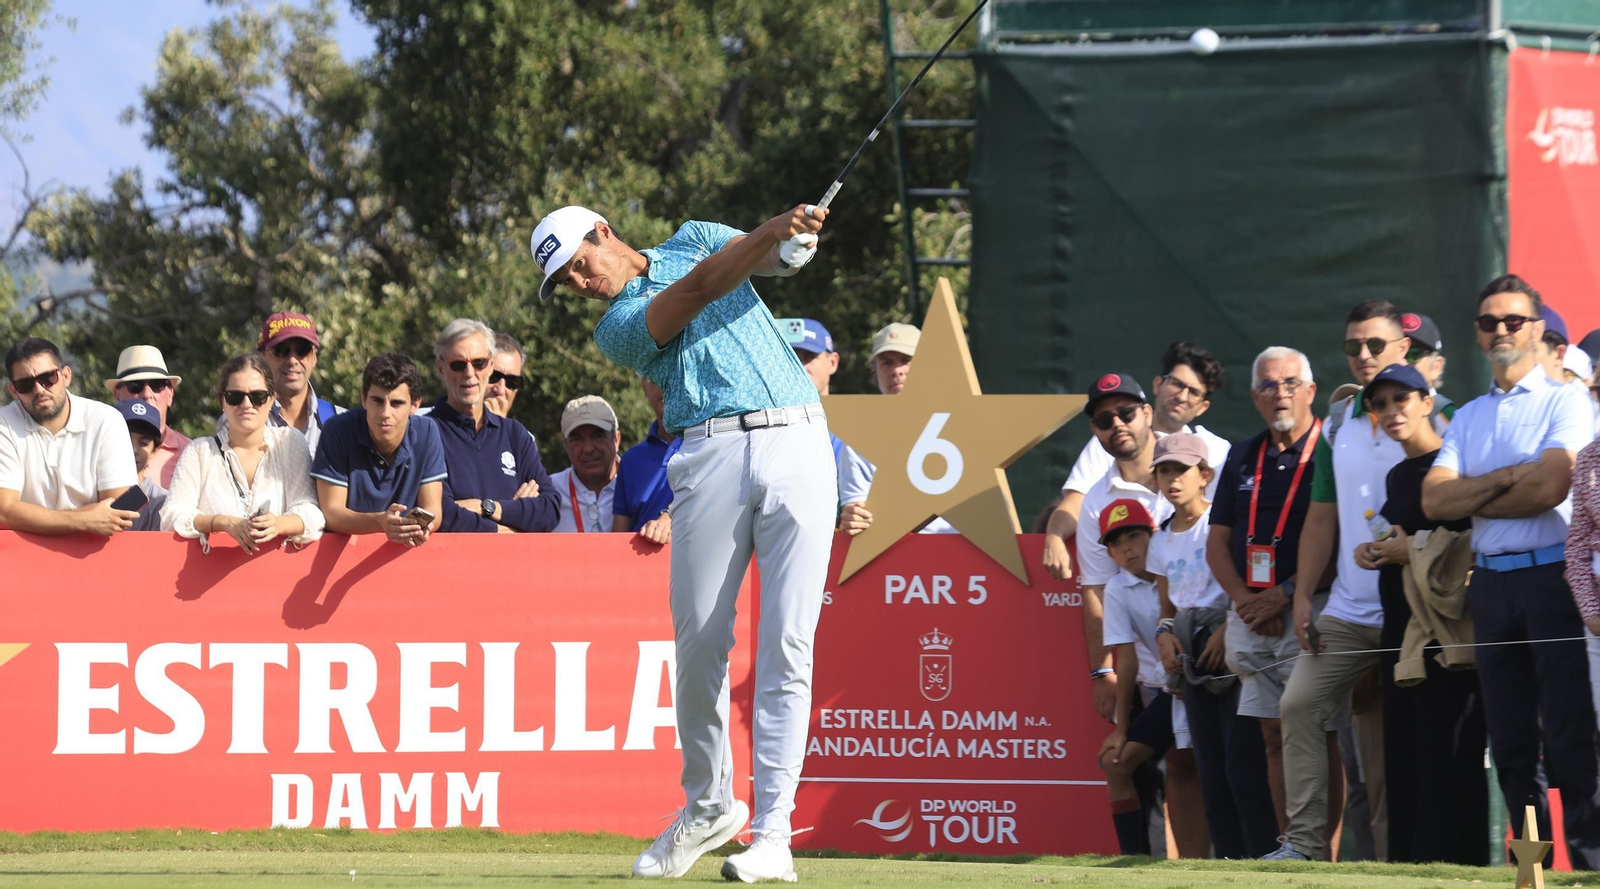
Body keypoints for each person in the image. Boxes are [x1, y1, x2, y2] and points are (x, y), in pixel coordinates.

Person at [532, 201, 830, 881]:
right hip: (709, 453)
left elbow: (769, 261)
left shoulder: (695, 235)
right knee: (699, 641)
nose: (581, 284)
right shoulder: (617, 329)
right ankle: (709, 802)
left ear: (603, 231)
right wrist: (770, 229)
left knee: (788, 641)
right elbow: (702, 288)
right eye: (568, 282)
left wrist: (794, 243)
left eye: (580, 264)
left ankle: (775, 833)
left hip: (799, 437)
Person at [1423, 274, 1600, 869]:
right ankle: (1531, 871)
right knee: (1512, 739)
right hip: (1492, 582)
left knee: (1572, 734)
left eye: (1513, 321)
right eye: (1489, 322)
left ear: (1536, 329)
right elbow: (1434, 502)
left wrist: (1473, 492)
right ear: (1478, 335)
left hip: (1554, 579)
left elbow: (1551, 487)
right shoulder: (1470, 416)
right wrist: (1505, 478)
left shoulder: (1567, 400)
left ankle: (1591, 863)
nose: (1500, 330)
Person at [1273, 300, 1412, 862]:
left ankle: (1394, 861)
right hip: (1350, 611)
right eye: (1354, 346)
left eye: (1375, 344)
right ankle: (1304, 846)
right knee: (1298, 705)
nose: (1363, 355)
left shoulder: (1442, 412)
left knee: (1389, 751)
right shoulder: (1337, 421)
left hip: (1419, 610)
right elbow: (1323, 513)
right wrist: (1304, 594)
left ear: (1404, 345)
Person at [1358, 363, 1488, 865]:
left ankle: (1462, 870)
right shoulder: (1397, 473)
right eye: (1380, 404)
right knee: (1406, 759)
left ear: (1428, 403)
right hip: (1400, 635)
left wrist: (1407, 550)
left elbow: (1468, 547)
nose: (1391, 411)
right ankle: (1410, 870)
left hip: (1446, 635)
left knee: (1448, 759)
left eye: (1402, 399)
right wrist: (1374, 552)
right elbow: (1403, 540)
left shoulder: (1456, 464)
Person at [1209, 347, 1333, 851]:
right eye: (1267, 385)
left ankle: (1323, 852)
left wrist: (1285, 594)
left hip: (1309, 605)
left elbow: (1338, 537)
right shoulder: (1242, 453)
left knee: (1317, 734)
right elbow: (1217, 540)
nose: (1278, 393)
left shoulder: (1330, 448)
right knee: (1272, 734)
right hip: (1250, 613)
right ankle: (1293, 848)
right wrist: (1242, 599)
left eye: (1288, 383)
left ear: (1309, 390)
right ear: (1255, 396)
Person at [1150, 432, 1278, 859]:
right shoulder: (1160, 538)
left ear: (1204, 475)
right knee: (1210, 766)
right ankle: (1226, 863)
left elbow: (1240, 585)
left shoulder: (1220, 526)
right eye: (1164, 470)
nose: (1172, 479)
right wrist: (1164, 635)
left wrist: (1229, 628)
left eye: (1181, 470)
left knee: (1243, 761)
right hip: (1191, 652)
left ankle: (1262, 856)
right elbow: (1166, 607)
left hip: (1234, 640)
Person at [1043, 342, 1231, 581]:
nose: (1182, 397)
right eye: (1176, 384)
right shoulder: (1114, 440)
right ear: (1157, 385)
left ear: (1203, 407)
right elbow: (1077, 502)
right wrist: (1054, 536)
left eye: (1194, 392)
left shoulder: (1216, 451)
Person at [1096, 497, 1205, 858]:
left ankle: (1216, 861)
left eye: (1134, 536)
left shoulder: (1179, 563)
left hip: (1210, 679)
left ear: (1153, 535)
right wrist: (1121, 729)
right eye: (1116, 543)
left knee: (1201, 768)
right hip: (1169, 689)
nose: (1126, 548)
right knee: (1117, 762)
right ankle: (1133, 863)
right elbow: (1124, 662)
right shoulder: (1116, 589)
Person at [1069, 372, 1170, 724]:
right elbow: (1096, 590)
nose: (1117, 424)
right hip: (1151, 672)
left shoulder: (1194, 464)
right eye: (1103, 420)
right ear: (1095, 431)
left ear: (1147, 413)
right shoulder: (1095, 501)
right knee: (1174, 767)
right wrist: (1101, 671)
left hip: (1214, 646)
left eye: (1125, 413)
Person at [161, 354, 324, 552]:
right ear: (222, 401)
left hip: (279, 576)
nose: (246, 404)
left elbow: (311, 513)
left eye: (257, 397)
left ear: (271, 400)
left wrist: (278, 524)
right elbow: (171, 517)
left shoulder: (290, 442)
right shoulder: (199, 451)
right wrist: (223, 523)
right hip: (210, 576)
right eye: (235, 397)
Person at [427, 319, 558, 533]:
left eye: (478, 363)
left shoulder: (515, 434)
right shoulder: (424, 433)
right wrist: (509, 529)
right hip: (450, 565)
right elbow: (443, 514)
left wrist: (487, 508)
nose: (469, 373)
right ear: (441, 369)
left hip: (512, 566)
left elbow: (549, 510)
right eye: (458, 365)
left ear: (489, 365)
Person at [0, 338, 139, 535]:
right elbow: (4, 512)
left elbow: (120, 511)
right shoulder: (3, 424)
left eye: (48, 378)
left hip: (95, 556)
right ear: (14, 391)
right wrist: (83, 520)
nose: (39, 389)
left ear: (66, 375)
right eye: (25, 384)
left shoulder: (106, 420)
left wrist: (29, 517)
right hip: (23, 559)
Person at [311, 352, 445, 547]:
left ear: (415, 405)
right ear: (363, 399)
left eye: (397, 403)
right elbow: (331, 513)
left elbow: (433, 509)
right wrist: (380, 522)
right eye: (377, 401)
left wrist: (422, 527)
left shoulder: (428, 432)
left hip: (405, 556)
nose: (385, 413)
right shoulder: (337, 430)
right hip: (342, 556)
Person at [836, 323, 956, 536]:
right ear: (876, 370)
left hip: (964, 562)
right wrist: (853, 517)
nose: (897, 371)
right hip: (893, 563)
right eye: (887, 363)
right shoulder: (859, 439)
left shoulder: (961, 426)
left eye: (907, 360)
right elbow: (855, 511)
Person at [776, 316, 853, 488]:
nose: (800, 367)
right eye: (790, 357)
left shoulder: (857, 427)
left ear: (832, 362)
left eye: (809, 357)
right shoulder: (767, 431)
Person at [257, 311, 345, 455]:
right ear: (261, 358)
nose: (293, 360)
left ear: (314, 358)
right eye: (281, 350)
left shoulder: (344, 425)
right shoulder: (244, 423)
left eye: (303, 350)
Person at [105, 345, 189, 488]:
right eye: (135, 385)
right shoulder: (98, 448)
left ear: (170, 394)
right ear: (117, 395)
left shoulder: (192, 453)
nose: (147, 394)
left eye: (157, 385)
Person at [612, 376, 678, 545]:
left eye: (673, 374)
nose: (665, 383)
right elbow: (617, 539)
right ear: (644, 387)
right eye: (656, 374)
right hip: (640, 569)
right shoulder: (631, 460)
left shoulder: (707, 447)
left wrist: (668, 517)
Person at [550, 395, 621, 534]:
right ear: (566, 445)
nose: (588, 448)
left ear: (616, 439)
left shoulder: (639, 485)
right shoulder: (550, 492)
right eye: (577, 439)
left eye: (598, 436)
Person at [117, 399, 168, 532]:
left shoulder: (161, 501)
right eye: (125, 439)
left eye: (143, 442)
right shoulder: (87, 491)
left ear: (155, 450)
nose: (133, 449)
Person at [1400, 312, 1455, 426]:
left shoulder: (1450, 419)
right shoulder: (1375, 411)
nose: (1403, 362)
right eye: (1398, 353)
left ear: (1436, 366)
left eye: (1413, 355)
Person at [485, 332, 527, 420]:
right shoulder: (448, 430)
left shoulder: (521, 434)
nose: (500, 390)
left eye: (512, 382)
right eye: (493, 376)